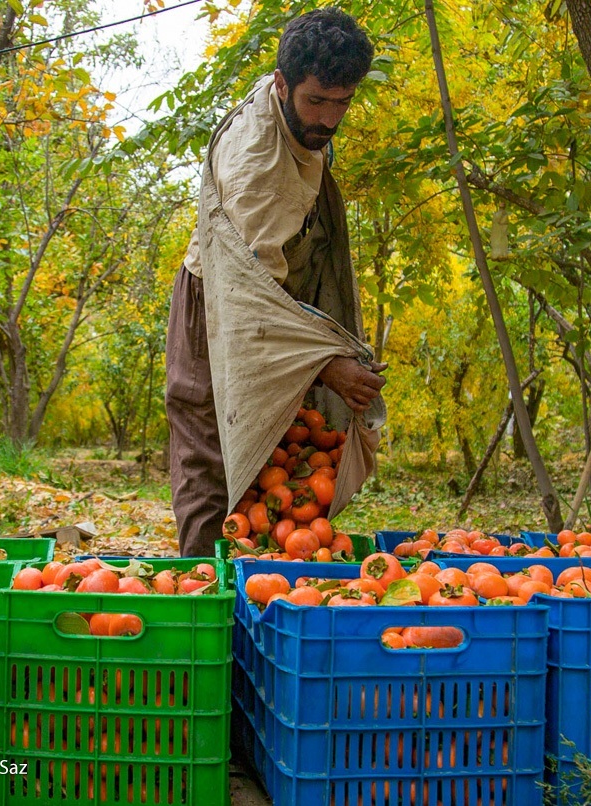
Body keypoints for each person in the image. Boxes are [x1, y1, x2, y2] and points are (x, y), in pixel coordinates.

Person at [165, 8, 386, 557]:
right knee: (210, 455)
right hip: (219, 303)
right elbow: (250, 305)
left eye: (343, 102)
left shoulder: (301, 108)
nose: (331, 119)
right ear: (283, 86)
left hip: (282, 299)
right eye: (317, 102)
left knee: (279, 453)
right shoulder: (256, 170)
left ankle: (268, 584)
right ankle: (206, 595)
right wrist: (324, 362)